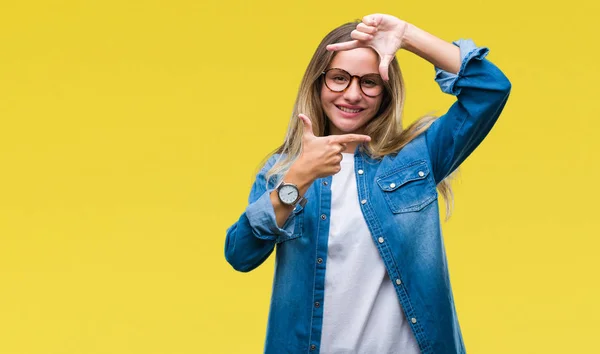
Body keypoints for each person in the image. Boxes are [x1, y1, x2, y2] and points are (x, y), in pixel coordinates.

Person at [224, 13, 511, 354]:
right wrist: (297, 180)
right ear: (318, 83)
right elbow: (240, 254)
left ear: (386, 92)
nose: (353, 94)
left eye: (369, 82)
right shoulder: (282, 170)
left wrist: (407, 36)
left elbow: (490, 89)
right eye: (339, 78)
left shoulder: (418, 156)